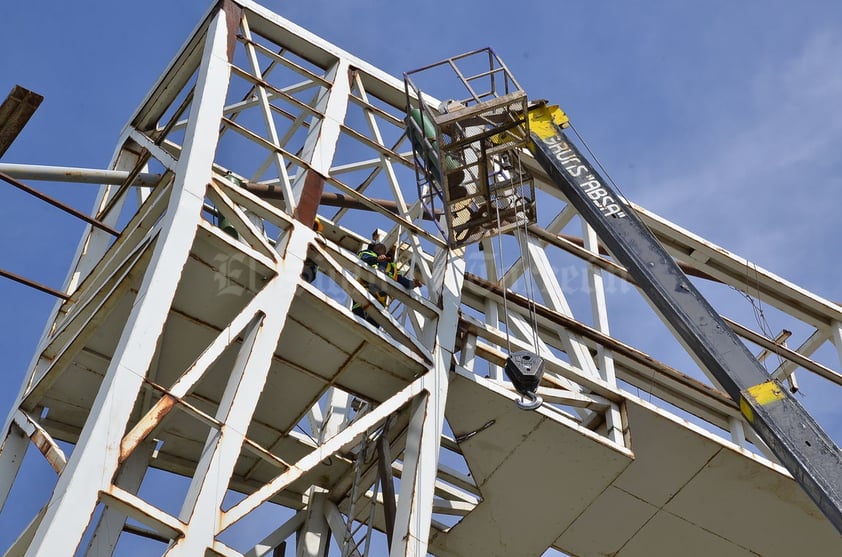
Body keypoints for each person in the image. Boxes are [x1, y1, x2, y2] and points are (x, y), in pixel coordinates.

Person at [352, 242, 421, 326]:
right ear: (373, 248)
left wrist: (412, 284)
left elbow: (400, 280)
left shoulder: (392, 267)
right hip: (363, 294)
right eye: (378, 246)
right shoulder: (367, 253)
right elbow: (364, 258)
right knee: (357, 321)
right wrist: (377, 259)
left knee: (373, 328)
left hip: (379, 302)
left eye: (382, 247)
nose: (381, 246)